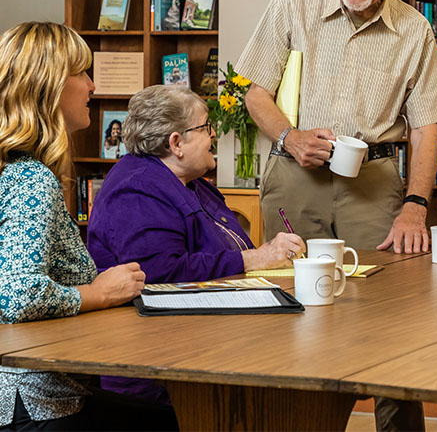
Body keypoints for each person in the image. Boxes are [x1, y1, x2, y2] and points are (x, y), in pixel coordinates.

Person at [236, 0, 437, 256]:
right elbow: (257, 96)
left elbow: (427, 127)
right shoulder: (291, 5)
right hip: (294, 177)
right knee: (293, 288)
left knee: (378, 294)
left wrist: (415, 206)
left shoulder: (415, 31)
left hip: (373, 186)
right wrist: (290, 139)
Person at [0, 22, 177, 432]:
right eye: (81, 73)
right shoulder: (31, 180)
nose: (93, 85)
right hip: (37, 406)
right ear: (49, 86)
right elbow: (18, 296)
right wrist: (99, 292)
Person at [87, 84, 305, 406]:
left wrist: (266, 252)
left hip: (208, 337)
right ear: (176, 143)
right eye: (205, 128)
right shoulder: (138, 189)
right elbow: (160, 272)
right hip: (162, 366)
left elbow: (228, 251)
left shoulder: (190, 182)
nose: (214, 135)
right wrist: (254, 259)